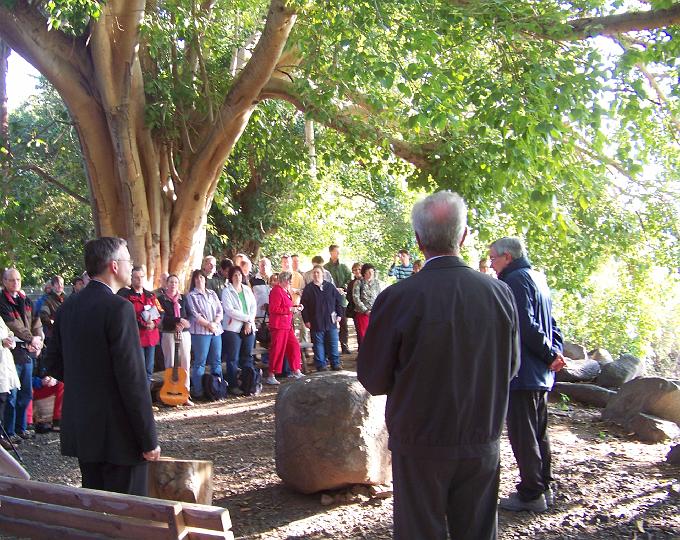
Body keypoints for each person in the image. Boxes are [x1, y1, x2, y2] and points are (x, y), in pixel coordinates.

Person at [357, 191, 520, 540]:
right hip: (480, 435)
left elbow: (373, 378)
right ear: (463, 236)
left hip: (420, 442)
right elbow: (511, 367)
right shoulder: (499, 295)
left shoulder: (397, 298)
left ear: (418, 241)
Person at [44, 237, 160, 495]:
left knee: (96, 507)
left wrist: (86, 382)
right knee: (128, 511)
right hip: (119, 433)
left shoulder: (68, 307)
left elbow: (51, 362)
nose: (131, 266)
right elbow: (132, 380)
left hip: (84, 427)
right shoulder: (119, 308)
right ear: (114, 266)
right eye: (128, 260)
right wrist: (148, 439)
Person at [490, 237, 565, 513]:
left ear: (507, 257)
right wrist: (555, 352)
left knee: (524, 435)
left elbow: (524, 323)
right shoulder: (537, 278)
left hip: (522, 371)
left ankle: (532, 493)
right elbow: (552, 323)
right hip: (540, 372)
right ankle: (545, 485)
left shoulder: (514, 280)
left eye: (493, 259)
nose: (492, 265)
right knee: (538, 431)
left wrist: (549, 354)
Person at [0, 268, 43, 444]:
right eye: (11, 280)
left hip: (27, 351)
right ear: (4, 281)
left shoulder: (26, 300)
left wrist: (38, 340)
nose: (15, 283)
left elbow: (36, 321)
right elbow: (13, 325)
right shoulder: (2, 301)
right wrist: (31, 338)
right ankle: (9, 431)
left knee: (26, 392)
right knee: (11, 394)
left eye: (18, 279)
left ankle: (21, 427)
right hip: (12, 353)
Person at [118, 266, 162, 385]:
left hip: (151, 337)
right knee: (138, 370)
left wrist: (154, 323)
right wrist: (142, 324)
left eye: (141, 277)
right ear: (132, 279)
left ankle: (146, 394)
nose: (139, 280)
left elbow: (160, 313)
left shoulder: (151, 296)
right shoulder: (125, 296)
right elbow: (126, 317)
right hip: (136, 338)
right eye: (136, 277)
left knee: (149, 369)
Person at [186, 269, 224, 399]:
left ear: (205, 279)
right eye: (196, 278)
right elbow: (194, 314)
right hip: (200, 332)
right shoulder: (191, 296)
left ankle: (217, 389)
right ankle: (198, 391)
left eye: (201, 277)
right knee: (200, 362)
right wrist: (208, 324)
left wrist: (215, 323)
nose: (199, 280)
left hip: (216, 331)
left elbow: (220, 310)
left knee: (217, 361)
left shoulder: (212, 293)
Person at [221, 266, 258, 395]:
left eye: (239, 275)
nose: (238, 277)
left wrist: (249, 322)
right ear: (231, 277)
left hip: (248, 327)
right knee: (233, 358)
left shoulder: (247, 289)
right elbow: (229, 310)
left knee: (247, 357)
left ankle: (248, 384)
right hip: (232, 329)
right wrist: (247, 318)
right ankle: (233, 385)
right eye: (235, 275)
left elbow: (253, 307)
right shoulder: (227, 291)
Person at [301, 265, 345, 372]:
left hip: (330, 321)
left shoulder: (330, 287)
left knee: (333, 342)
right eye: (314, 272)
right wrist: (306, 320)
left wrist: (339, 315)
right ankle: (321, 365)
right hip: (316, 321)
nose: (316, 274)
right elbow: (304, 306)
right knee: (318, 344)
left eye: (318, 272)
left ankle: (335, 363)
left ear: (323, 274)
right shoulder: (308, 289)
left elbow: (339, 301)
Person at [157, 274, 193, 405]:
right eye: (171, 282)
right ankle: (171, 392)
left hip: (184, 333)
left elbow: (190, 314)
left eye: (176, 282)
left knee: (185, 363)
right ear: (167, 284)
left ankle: (185, 394)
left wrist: (184, 323)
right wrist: (178, 320)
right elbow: (162, 317)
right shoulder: (161, 299)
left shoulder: (183, 298)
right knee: (170, 363)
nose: (173, 285)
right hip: (169, 333)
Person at [266, 271, 303, 385]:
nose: (290, 282)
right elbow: (273, 309)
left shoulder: (286, 291)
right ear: (284, 280)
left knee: (294, 346)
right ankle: (271, 374)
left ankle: (296, 370)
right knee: (277, 349)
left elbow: (287, 306)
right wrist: (289, 310)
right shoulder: (276, 291)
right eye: (289, 280)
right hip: (279, 326)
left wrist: (296, 307)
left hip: (287, 325)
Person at [324, 245, 351, 355]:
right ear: (331, 252)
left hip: (342, 299)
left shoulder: (343, 267)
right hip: (330, 300)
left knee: (344, 323)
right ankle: (330, 348)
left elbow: (349, 279)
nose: (338, 253)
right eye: (336, 251)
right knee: (330, 323)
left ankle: (344, 345)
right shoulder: (325, 268)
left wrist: (343, 287)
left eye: (339, 251)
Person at [0, 317, 20, 450]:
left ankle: (1, 436)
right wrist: (2, 342)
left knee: (3, 400)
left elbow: (8, 332)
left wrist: (10, 339)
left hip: (4, 363)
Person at [351, 263, 381, 345]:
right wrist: (365, 310)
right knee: (364, 336)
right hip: (362, 314)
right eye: (368, 272)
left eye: (372, 271)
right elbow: (356, 298)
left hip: (375, 313)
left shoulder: (377, 283)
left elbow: (380, 296)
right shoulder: (359, 282)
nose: (371, 274)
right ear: (364, 273)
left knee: (375, 335)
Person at [39, 275, 65, 342]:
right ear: (52, 286)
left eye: (61, 283)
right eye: (57, 284)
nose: (60, 285)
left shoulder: (68, 299)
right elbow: (43, 316)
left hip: (65, 333)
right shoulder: (47, 300)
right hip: (53, 335)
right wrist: (53, 323)